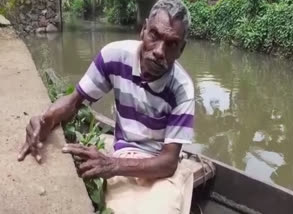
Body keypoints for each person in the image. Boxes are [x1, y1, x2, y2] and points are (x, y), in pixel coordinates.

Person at [18, 0, 194, 213]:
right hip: (124, 153)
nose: (159, 51)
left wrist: (112, 166)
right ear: (143, 30)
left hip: (159, 167)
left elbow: (168, 162)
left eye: (172, 44)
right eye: (154, 35)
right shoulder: (114, 55)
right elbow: (74, 101)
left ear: (181, 49)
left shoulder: (182, 89)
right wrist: (47, 119)